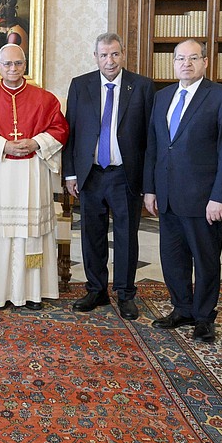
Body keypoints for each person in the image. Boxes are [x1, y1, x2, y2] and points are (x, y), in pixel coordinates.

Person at [143, 39, 222, 343]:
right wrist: (150, 189)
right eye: (180, 58)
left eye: (193, 58)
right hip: (168, 195)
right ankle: (182, 307)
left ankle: (204, 316)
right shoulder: (163, 97)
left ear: (205, 62)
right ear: (173, 63)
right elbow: (155, 146)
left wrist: (220, 197)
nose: (186, 63)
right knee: (172, 257)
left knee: (206, 258)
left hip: (203, 198)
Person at [0, 44, 68, 309]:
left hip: (33, 173)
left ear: (25, 65)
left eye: (18, 64)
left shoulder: (45, 99)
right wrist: (4, 146)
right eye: (7, 64)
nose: (13, 69)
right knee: (0, 235)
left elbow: (59, 129)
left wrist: (36, 142)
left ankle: (33, 292)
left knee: (30, 234)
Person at [65, 33, 154, 319]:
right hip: (90, 174)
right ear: (96, 56)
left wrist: (148, 182)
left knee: (127, 236)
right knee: (92, 235)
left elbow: (151, 138)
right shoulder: (81, 85)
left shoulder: (141, 86)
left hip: (125, 174)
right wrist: (70, 173)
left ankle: (126, 294)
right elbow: (72, 133)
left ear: (122, 54)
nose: (110, 60)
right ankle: (96, 290)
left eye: (114, 54)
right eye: (104, 55)